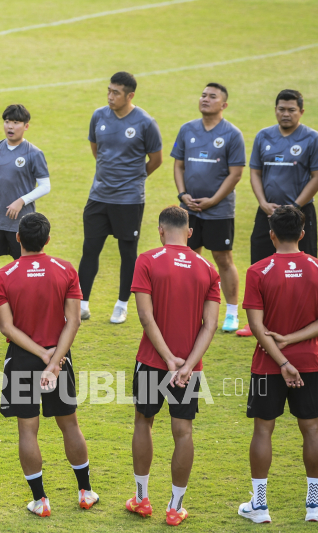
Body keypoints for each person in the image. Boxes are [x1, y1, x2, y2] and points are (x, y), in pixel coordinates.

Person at [0, 213, 98, 517]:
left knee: (28, 430)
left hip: (23, 359)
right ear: (48, 240)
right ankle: (85, 492)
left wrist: (40, 355)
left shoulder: (3, 275)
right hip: (59, 357)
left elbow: (7, 328)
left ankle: (40, 501)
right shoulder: (65, 270)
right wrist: (53, 360)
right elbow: (74, 320)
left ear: (18, 238)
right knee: (70, 425)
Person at [239, 206, 318, 524]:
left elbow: (256, 325)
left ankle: (260, 505)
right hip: (309, 362)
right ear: (303, 234)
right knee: (311, 429)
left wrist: (281, 356)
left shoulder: (258, 271)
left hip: (268, 364)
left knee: (263, 430)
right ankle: (313, 504)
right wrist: (294, 341)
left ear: (271, 235)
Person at [127, 206, 220, 526]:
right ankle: (175, 507)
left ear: (161, 229)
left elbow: (144, 316)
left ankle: (141, 499)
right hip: (189, 369)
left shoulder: (148, 260)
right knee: (183, 431)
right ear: (190, 233)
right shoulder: (208, 268)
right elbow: (210, 325)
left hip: (152, 360)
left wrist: (167, 359)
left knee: (143, 421)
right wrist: (187, 365)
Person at [237, 89, 318, 337]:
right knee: (259, 265)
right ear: (275, 109)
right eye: (281, 109)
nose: (285, 114)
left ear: (301, 111)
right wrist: (263, 202)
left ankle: (315, 323)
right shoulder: (263, 136)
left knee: (306, 268)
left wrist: (295, 207)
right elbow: (255, 172)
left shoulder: (312, 138)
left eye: (291, 109)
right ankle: (255, 322)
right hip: (266, 212)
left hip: (299, 213)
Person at [78, 71, 162, 324]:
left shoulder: (145, 122)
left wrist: (133, 179)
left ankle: (121, 304)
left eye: (116, 92)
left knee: (128, 252)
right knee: (90, 249)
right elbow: (97, 150)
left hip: (129, 200)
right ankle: (82, 303)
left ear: (130, 95)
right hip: (99, 197)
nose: (110, 96)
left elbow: (156, 160)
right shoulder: (99, 116)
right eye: (109, 90)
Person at [0, 104, 51, 326]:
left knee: (24, 267)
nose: (10, 126)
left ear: (26, 126)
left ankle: (28, 309)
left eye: (15, 123)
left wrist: (21, 200)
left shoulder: (34, 153)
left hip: (22, 223)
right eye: (7, 122)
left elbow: (45, 186)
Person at [172, 83, 244, 333]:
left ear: (223, 105)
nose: (205, 99)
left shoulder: (232, 134)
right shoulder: (187, 129)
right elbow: (178, 165)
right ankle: (190, 308)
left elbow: (235, 174)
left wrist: (213, 200)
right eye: (203, 95)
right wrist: (183, 194)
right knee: (189, 258)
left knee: (223, 258)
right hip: (189, 208)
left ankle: (232, 312)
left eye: (212, 96)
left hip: (219, 211)